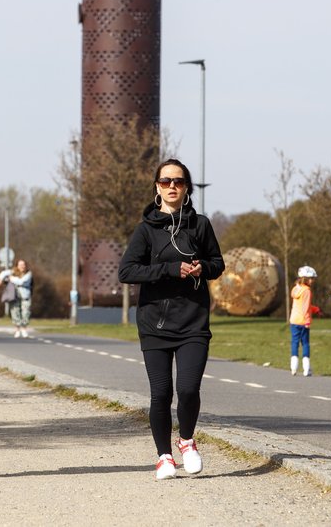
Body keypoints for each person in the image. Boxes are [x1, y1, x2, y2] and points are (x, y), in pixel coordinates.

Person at [118, 158, 225, 480]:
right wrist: (168, 269)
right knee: (161, 394)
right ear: (157, 188)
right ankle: (164, 456)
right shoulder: (146, 229)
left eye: (178, 181)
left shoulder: (200, 225)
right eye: (165, 182)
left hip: (193, 320)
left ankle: (187, 441)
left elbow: (217, 263)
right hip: (155, 324)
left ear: (187, 187)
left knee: (189, 388)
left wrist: (202, 268)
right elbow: (127, 271)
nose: (172, 186)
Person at [289, 265, 321, 376]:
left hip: (294, 320)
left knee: (294, 343)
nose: (313, 281)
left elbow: (302, 305)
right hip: (303, 322)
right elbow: (305, 307)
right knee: (305, 344)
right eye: (311, 278)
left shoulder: (296, 289)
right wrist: (308, 321)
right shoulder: (307, 291)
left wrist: (315, 309)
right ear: (305, 278)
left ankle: (293, 368)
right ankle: (306, 369)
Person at [0, 259, 33, 338]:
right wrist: (0, 279)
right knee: (15, 312)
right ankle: (17, 329)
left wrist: (12, 279)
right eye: (20, 265)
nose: (22, 266)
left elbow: (21, 282)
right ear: (17, 265)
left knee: (26, 312)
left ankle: (24, 329)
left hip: (25, 296)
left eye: (23, 265)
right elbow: (3, 273)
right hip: (14, 295)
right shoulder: (13, 272)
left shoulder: (28, 273)